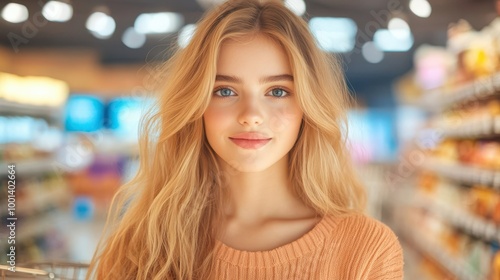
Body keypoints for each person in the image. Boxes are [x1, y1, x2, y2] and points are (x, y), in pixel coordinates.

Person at [87, 0, 404, 279]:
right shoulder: (143, 245)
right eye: (224, 91)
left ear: (308, 106)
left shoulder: (366, 250)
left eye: (277, 91)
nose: (251, 114)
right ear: (196, 105)